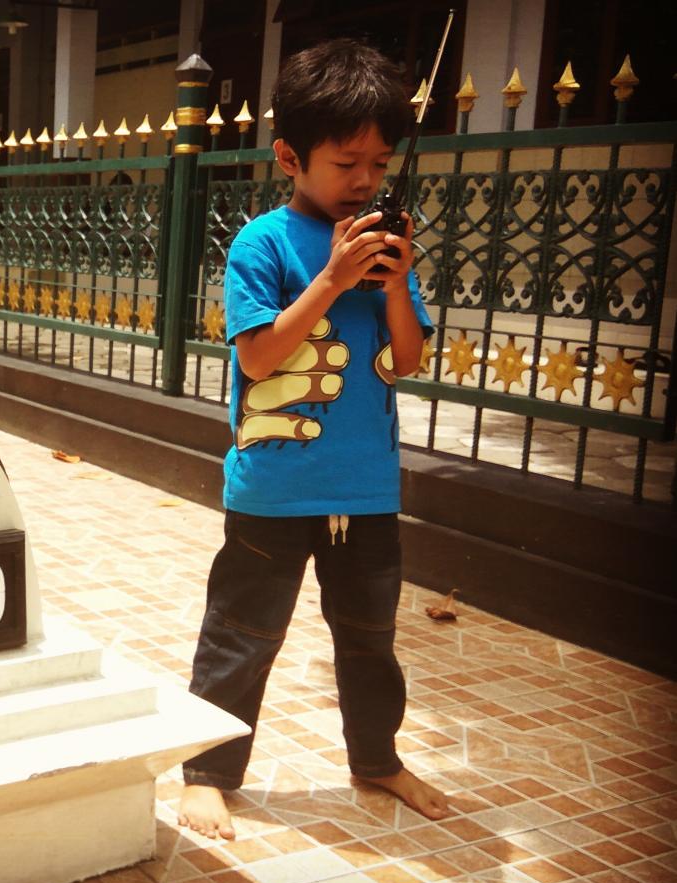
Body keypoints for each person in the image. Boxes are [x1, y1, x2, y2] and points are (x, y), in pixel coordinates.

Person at [177, 38, 451, 840]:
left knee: (372, 641)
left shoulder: (382, 244)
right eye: (346, 162)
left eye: (379, 161)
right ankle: (207, 771)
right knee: (241, 635)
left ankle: (377, 759)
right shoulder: (262, 245)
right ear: (291, 157)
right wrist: (331, 279)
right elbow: (259, 357)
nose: (366, 180)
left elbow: (407, 357)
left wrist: (395, 282)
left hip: (365, 490)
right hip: (273, 489)